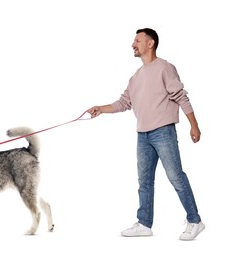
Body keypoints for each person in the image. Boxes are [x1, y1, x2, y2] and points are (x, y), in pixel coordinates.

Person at [87, 28, 205, 241]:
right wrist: (100, 109)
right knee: (145, 181)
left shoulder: (165, 68)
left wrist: (194, 126)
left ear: (150, 44)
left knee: (176, 177)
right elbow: (124, 102)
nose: (133, 44)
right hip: (143, 136)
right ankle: (144, 223)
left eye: (137, 40)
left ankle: (195, 221)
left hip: (163, 132)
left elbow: (181, 97)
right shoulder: (135, 77)